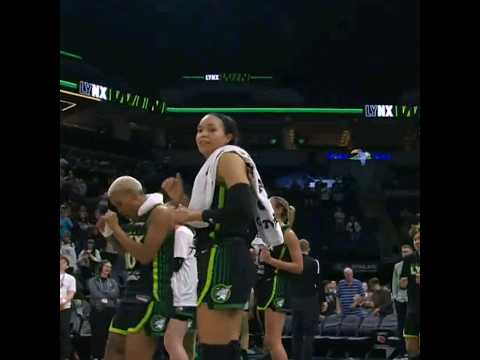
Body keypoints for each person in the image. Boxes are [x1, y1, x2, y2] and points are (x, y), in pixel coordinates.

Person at [161, 113, 283, 360]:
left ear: (228, 136)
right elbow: (214, 214)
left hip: (224, 255)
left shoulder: (228, 157)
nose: (202, 134)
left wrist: (187, 215)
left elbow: (240, 210)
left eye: (211, 129)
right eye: (199, 129)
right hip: (220, 253)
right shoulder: (216, 164)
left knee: (216, 348)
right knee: (223, 346)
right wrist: (182, 201)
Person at [100, 178, 176, 360]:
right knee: (113, 352)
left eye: (120, 204)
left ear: (134, 197)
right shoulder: (137, 219)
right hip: (130, 293)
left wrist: (116, 228)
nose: (119, 210)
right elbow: (128, 253)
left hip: (152, 295)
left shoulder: (160, 213)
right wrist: (109, 234)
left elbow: (144, 256)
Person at [256, 197, 303, 360]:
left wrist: (271, 261)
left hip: (279, 286)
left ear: (280, 210)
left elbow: (298, 267)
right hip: (266, 284)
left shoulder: (288, 234)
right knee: (269, 340)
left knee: (274, 340)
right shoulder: (267, 232)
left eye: (269, 206)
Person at [163, 223, 197, 360]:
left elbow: (176, 263)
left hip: (182, 294)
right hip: (187, 294)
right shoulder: (187, 233)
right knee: (180, 343)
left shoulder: (182, 232)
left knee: (172, 342)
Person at [290, 239, 321, 360]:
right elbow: (317, 282)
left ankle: (296, 357)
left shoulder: (292, 262)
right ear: (308, 248)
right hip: (310, 300)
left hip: (295, 300)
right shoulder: (314, 262)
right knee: (308, 333)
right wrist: (322, 300)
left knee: (296, 333)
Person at [88, 261, 120, 360]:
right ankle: (96, 356)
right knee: (98, 334)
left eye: (110, 267)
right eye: (106, 266)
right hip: (97, 310)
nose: (108, 269)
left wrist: (104, 297)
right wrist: (107, 296)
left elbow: (115, 294)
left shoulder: (113, 282)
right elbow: (95, 293)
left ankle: (106, 356)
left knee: (108, 334)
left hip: (110, 310)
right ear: (101, 267)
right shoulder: (92, 280)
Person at [400, 230, 421, 360]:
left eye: (419, 239)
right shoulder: (409, 259)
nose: (417, 242)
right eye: (415, 240)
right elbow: (403, 283)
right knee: (411, 347)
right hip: (413, 306)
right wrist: (402, 283)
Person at [392, 244, 414, 354]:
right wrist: (395, 297)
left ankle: (413, 351)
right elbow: (394, 283)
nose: (404, 253)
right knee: (401, 325)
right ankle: (402, 352)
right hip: (400, 300)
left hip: (413, 300)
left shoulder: (416, 263)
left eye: (407, 251)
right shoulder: (397, 266)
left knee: (413, 325)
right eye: (403, 252)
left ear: (412, 251)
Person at [60, 255, 77, 360]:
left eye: (63, 262)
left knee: (64, 332)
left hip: (65, 308)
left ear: (67, 266)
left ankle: (65, 356)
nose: (60, 263)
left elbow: (71, 293)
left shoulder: (70, 278)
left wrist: (63, 303)